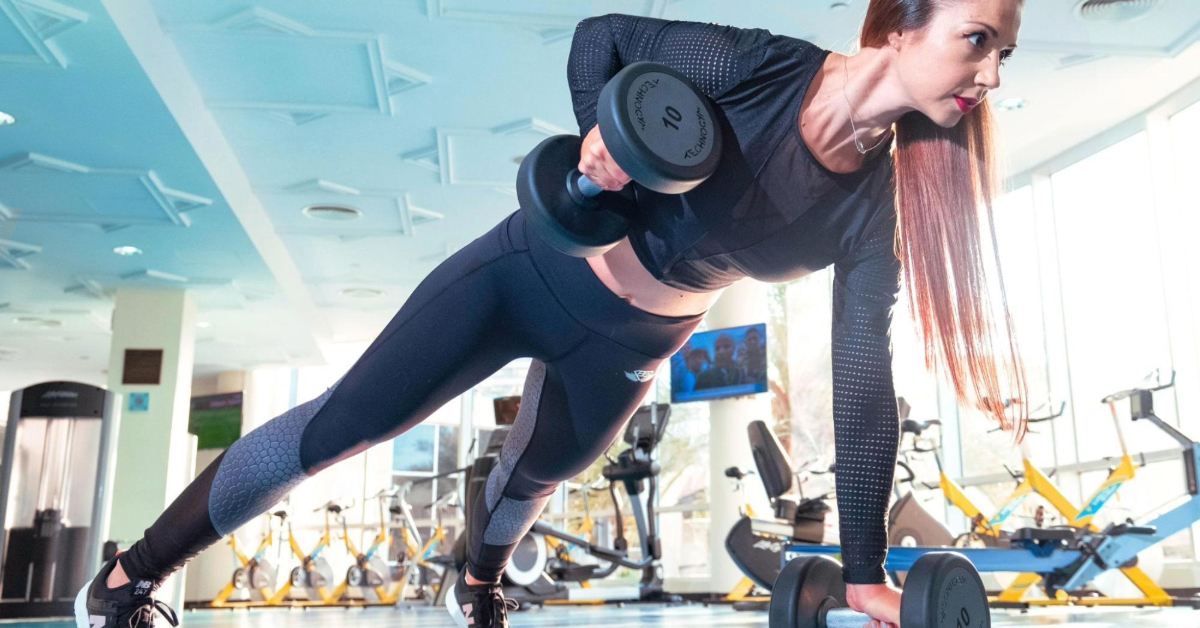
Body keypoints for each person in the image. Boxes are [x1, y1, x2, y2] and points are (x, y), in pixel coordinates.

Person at [73, 2, 1029, 628]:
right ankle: (123, 581)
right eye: (976, 39)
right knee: (342, 428)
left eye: (1004, 53)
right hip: (526, 270)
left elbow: (865, 379)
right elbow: (599, 39)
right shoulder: (762, 68)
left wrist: (865, 570)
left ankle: (477, 583)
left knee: (540, 475)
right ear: (899, 27)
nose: (989, 74)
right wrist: (601, 135)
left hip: (632, 340)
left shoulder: (876, 209)